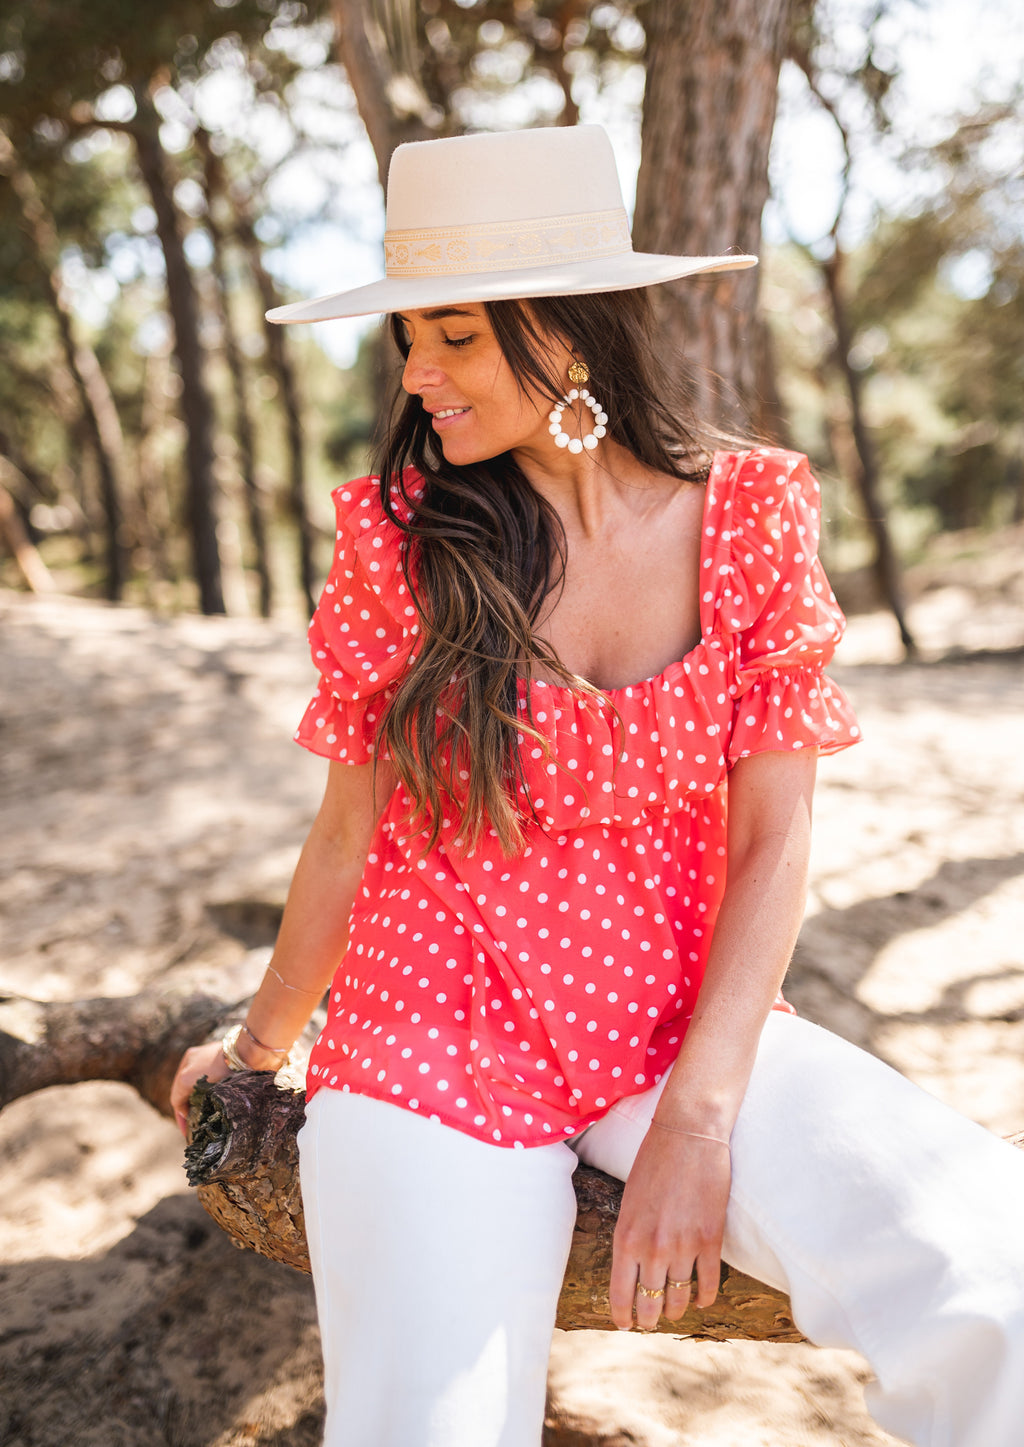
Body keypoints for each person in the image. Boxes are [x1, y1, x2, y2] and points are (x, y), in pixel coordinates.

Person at [170, 125, 1024, 1447]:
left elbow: (774, 835)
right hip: (429, 1041)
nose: (417, 374)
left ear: (563, 333)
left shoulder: (749, 515)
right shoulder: (404, 549)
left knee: (993, 1264)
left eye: (452, 335)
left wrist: (703, 1107)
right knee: (427, 1427)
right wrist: (261, 1048)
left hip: (678, 1019)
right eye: (410, 337)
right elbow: (345, 840)